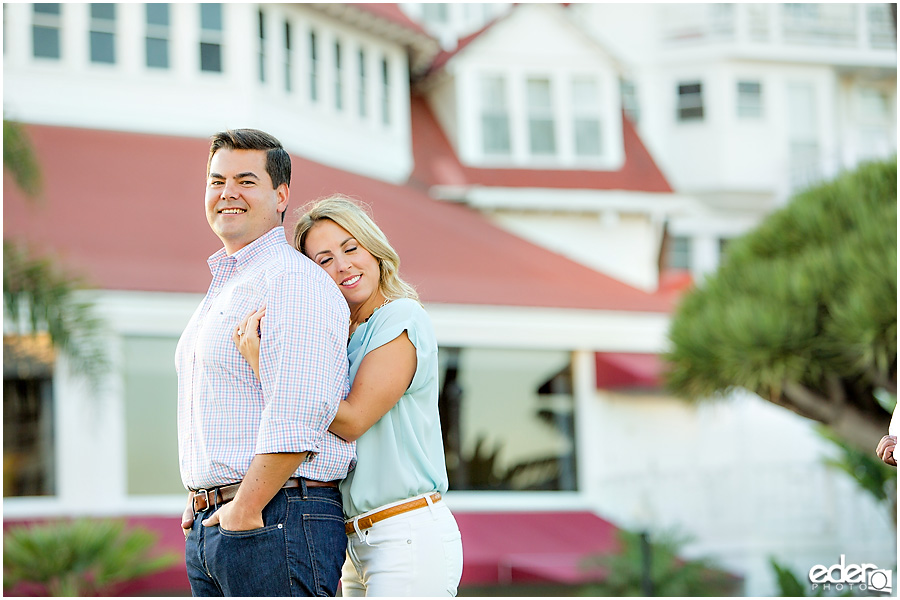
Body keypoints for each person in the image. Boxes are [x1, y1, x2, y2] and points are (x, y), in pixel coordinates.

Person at [235, 195, 463, 596]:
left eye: (350, 248)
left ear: (373, 250)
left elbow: (354, 419)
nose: (342, 266)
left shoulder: (401, 317)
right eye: (323, 260)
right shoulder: (338, 340)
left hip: (405, 533)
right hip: (353, 543)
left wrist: (264, 367)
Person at [175, 129, 355, 597]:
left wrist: (243, 508)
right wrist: (205, 495)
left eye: (245, 180)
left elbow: (301, 407)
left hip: (275, 516)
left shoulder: (292, 281)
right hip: (225, 520)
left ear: (281, 195)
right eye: (217, 181)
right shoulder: (230, 286)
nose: (227, 192)